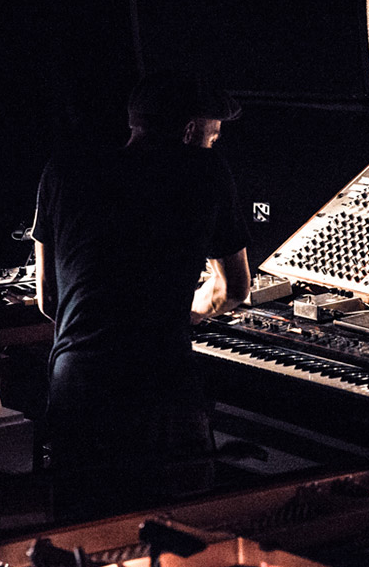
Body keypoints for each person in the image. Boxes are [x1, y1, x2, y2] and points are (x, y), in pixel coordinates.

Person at [31, 72, 251, 518]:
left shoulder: (62, 169)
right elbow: (235, 288)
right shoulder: (205, 170)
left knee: (86, 533)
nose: (214, 145)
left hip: (76, 384)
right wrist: (183, 312)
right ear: (190, 131)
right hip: (158, 386)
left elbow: (48, 299)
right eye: (213, 135)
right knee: (176, 533)